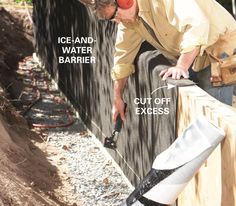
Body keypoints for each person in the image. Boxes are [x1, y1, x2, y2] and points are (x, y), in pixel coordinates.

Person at [94, 0, 236, 122]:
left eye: (115, 15)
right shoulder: (129, 23)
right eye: (112, 19)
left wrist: (181, 65)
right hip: (194, 53)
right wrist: (117, 97)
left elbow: (198, 25)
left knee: (215, 122)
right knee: (198, 120)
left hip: (219, 50)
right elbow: (122, 58)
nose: (117, 21)